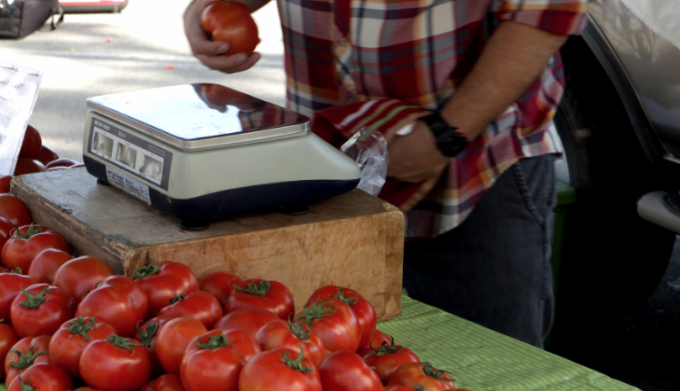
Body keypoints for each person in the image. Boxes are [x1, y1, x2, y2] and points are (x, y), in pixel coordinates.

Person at [184, 0, 587, 348]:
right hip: (334, 161)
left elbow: (547, 8)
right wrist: (209, 10)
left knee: (493, 379)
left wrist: (447, 133)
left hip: (473, 164)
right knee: (336, 369)